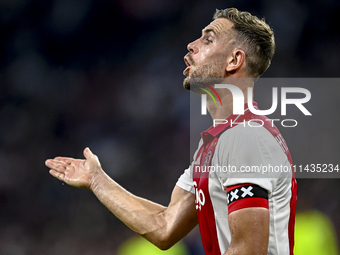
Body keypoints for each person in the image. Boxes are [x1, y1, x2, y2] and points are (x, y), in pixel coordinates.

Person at [45, 8, 297, 255]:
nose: (191, 44)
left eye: (208, 39)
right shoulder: (217, 142)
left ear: (234, 60)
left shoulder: (246, 138)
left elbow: (249, 250)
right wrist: (97, 180)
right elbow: (165, 227)